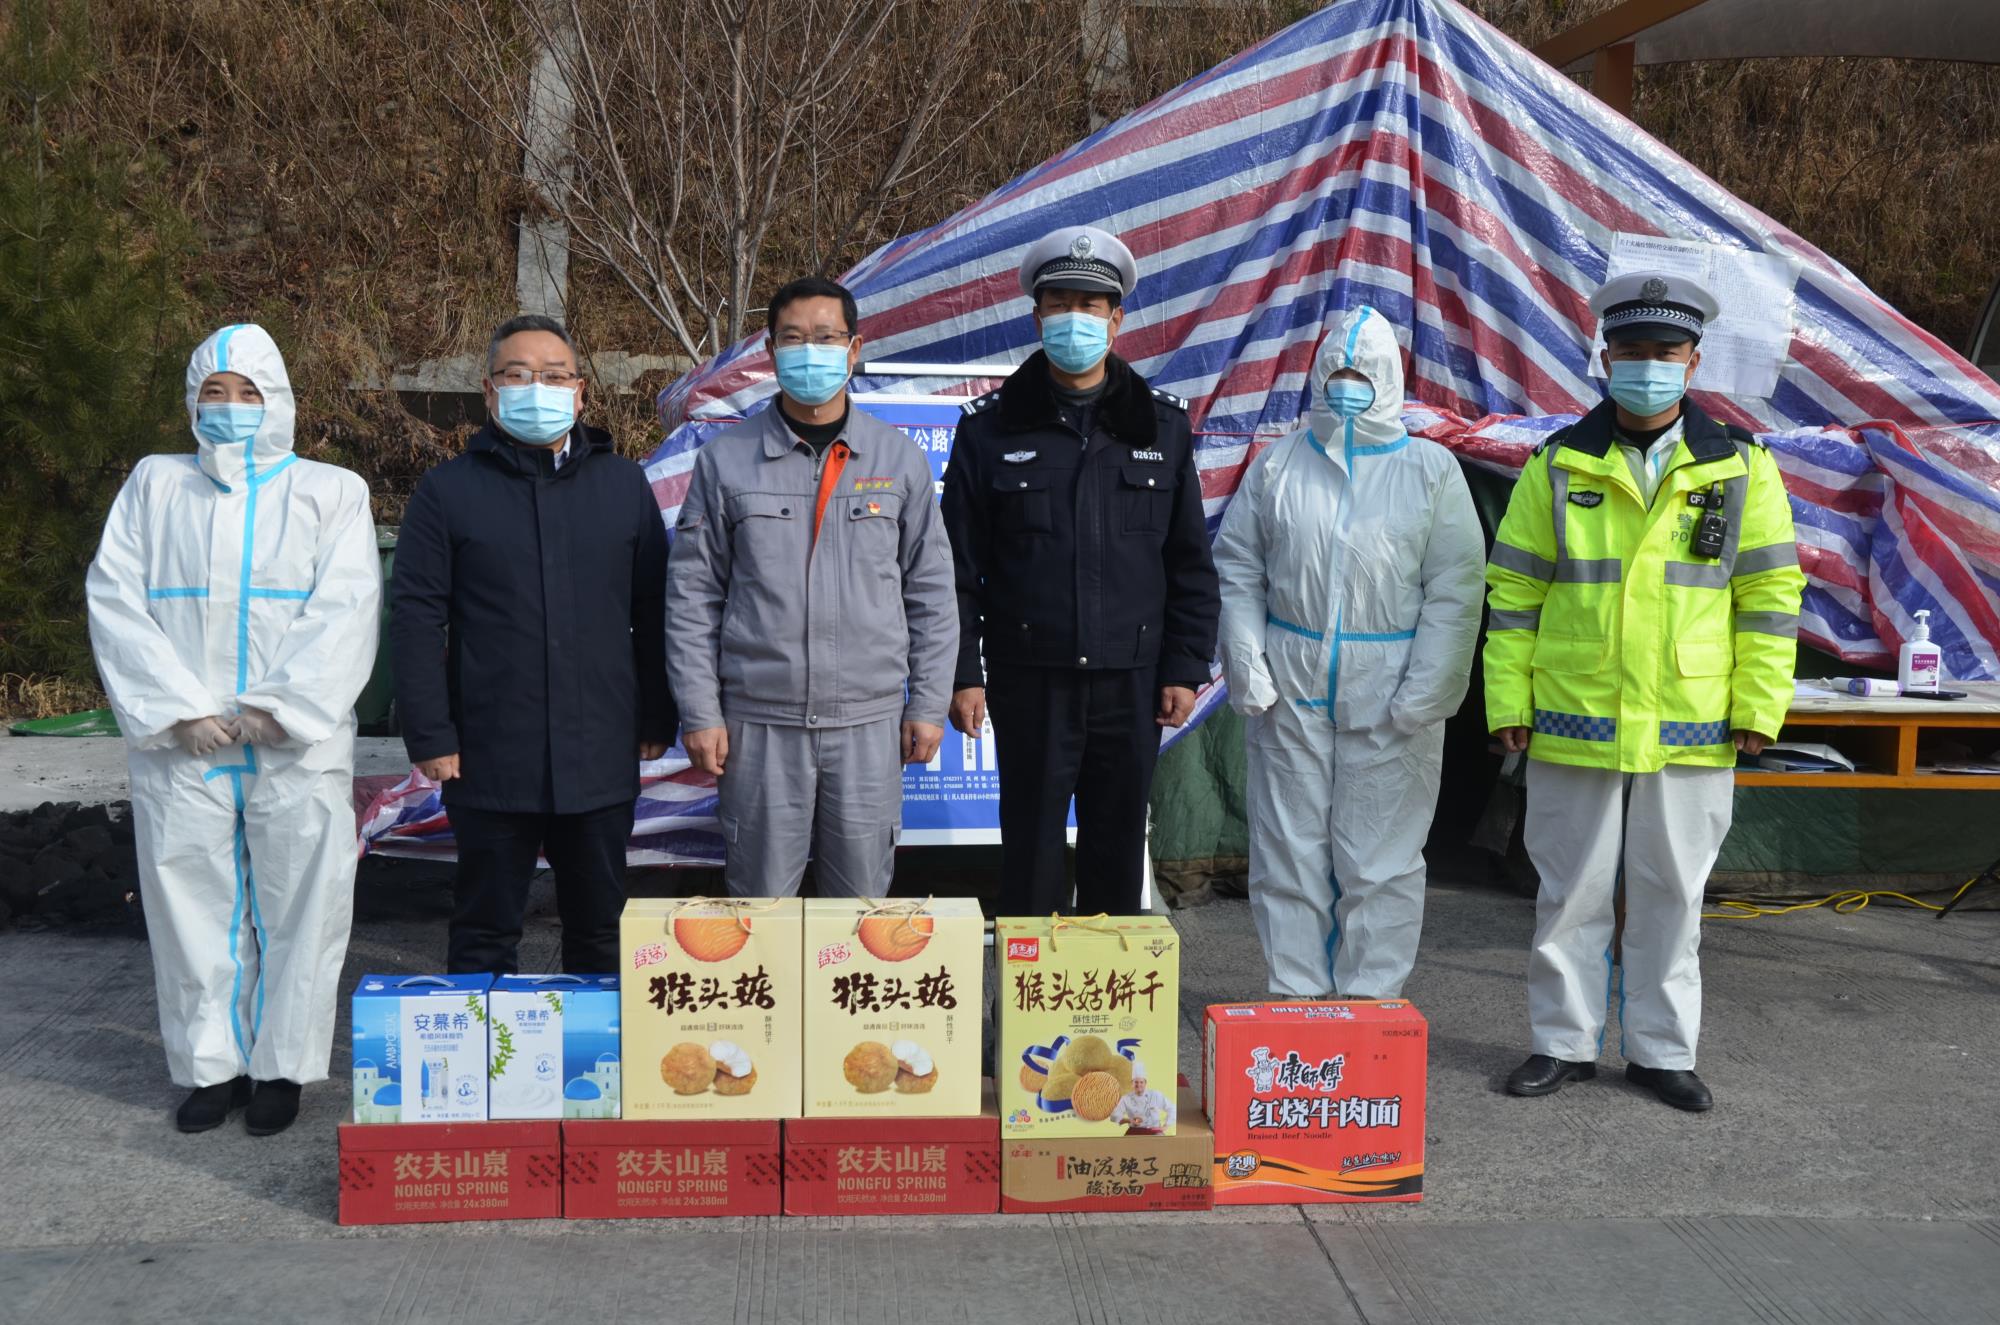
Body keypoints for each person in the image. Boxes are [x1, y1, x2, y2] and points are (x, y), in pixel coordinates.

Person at [1485, 272, 1803, 1111]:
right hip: (1574, 714)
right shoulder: (1558, 463)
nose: (1648, 366)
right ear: (1605, 357)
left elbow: (1770, 598)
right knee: (1570, 892)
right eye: (1632, 351)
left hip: (1693, 720)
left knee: (1672, 895)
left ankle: (1663, 1052)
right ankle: (1563, 1042)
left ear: (1693, 362)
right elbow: (1513, 592)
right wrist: (1507, 700)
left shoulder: (1742, 467)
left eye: (1666, 352)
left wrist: (1759, 705)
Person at [86, 323, 382, 1136]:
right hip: (184, 742)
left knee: (302, 902)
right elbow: (116, 599)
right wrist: (178, 708)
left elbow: (347, 609)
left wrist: (278, 709)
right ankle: (211, 1066)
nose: (229, 406)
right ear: (192, 401)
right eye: (213, 392)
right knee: (191, 903)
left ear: (277, 400)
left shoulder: (331, 492)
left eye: (248, 392)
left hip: (294, 742)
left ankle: (282, 1066)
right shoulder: (155, 484)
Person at [941, 225, 1220, 915]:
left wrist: (1184, 668)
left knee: (1116, 857)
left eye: (1089, 306)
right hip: (1030, 678)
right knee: (1030, 855)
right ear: (1037, 318)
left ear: (1116, 319)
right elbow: (956, 572)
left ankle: (1105, 985)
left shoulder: (1162, 428)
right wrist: (963, 673)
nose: (1075, 320)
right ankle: (1027, 987)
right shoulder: (989, 430)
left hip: (1133, 683)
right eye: (1060, 305)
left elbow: (1189, 562)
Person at [1213, 306, 1484, 1001]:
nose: (1348, 386)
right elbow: (1238, 565)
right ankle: (1295, 996)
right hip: (1290, 681)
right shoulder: (1279, 464)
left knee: (1382, 859)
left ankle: (1370, 1004)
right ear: (1318, 375)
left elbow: (1456, 588)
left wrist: (1427, 690)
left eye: (1364, 375)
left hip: (1391, 686)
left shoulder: (1430, 470)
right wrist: (1247, 661)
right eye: (1338, 372)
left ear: (1389, 379)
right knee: (1288, 849)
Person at [391, 314, 675, 975]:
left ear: (580, 392)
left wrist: (658, 715)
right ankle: (484, 1045)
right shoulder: (447, 491)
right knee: (485, 928)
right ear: (490, 391)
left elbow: (654, 608)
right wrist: (430, 733)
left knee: (601, 929)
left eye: (553, 376)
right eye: (518, 375)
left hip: (600, 749)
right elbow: (415, 618)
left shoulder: (622, 485)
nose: (536, 389)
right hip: (489, 754)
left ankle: (595, 1044)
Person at [666, 277, 956, 897]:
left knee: (859, 909)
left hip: (869, 726)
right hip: (759, 726)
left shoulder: (897, 459)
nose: (810, 352)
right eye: (793, 339)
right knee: (760, 905)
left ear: (854, 349)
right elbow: (692, 599)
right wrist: (700, 711)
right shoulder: (726, 461)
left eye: (826, 338)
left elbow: (931, 594)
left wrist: (929, 705)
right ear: (772, 352)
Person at [1110, 1061, 1175, 1133]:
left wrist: (1166, 1125)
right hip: (1134, 1131)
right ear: (1132, 1083)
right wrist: (1129, 1120)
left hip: (1154, 1130)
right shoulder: (1126, 1098)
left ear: (1145, 1083)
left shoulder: (1155, 1095)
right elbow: (1114, 1116)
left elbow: (1172, 1108)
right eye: (1136, 1082)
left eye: (1141, 1082)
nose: (1138, 1085)